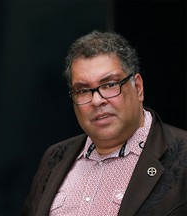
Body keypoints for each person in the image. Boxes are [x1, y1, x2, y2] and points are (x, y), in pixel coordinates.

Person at [21, 30, 187, 216]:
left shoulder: (181, 154)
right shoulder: (54, 158)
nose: (97, 100)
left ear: (138, 88)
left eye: (109, 85)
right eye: (83, 90)